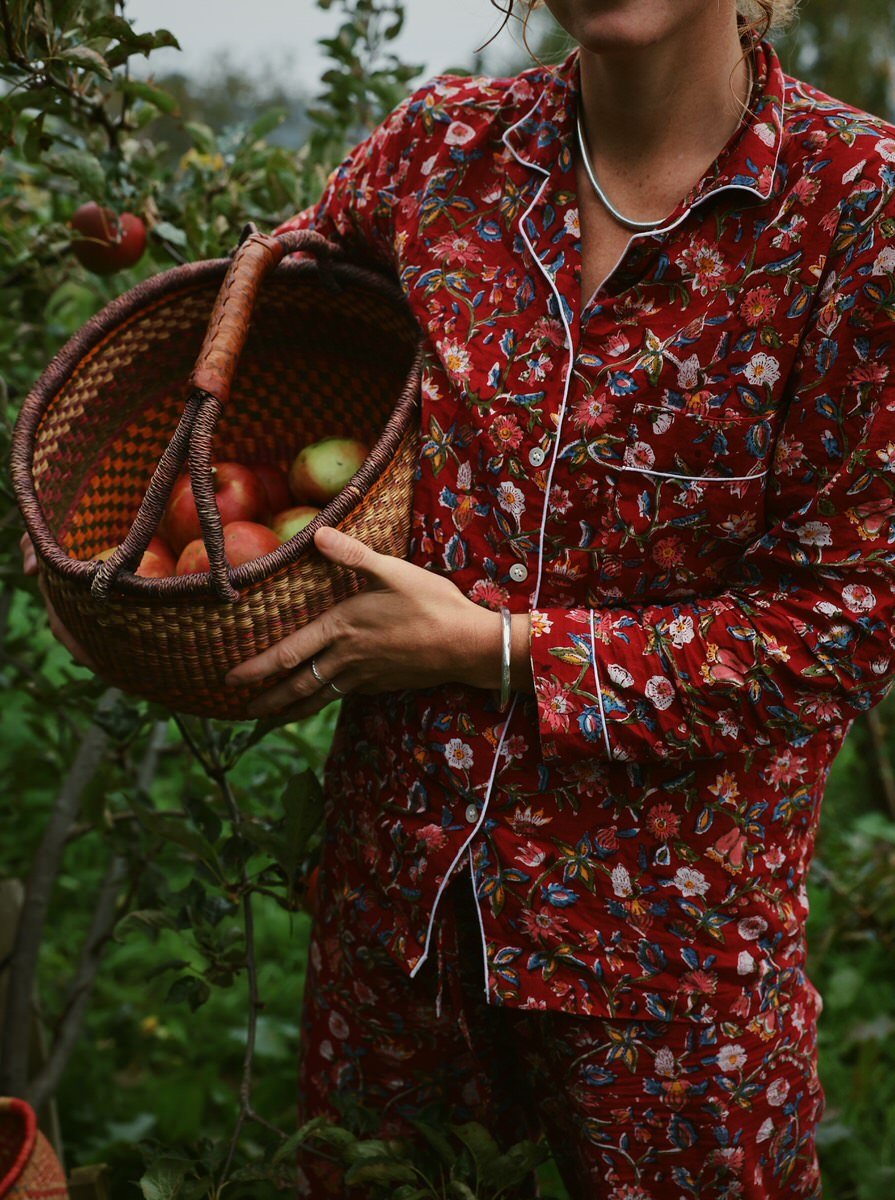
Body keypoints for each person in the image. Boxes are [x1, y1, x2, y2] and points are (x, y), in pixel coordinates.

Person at [23, 0, 895, 1195]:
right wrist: (160, 535)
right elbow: (269, 331)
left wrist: (492, 650)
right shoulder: (442, 153)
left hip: (668, 991)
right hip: (400, 952)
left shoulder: (856, 209)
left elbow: (840, 626)